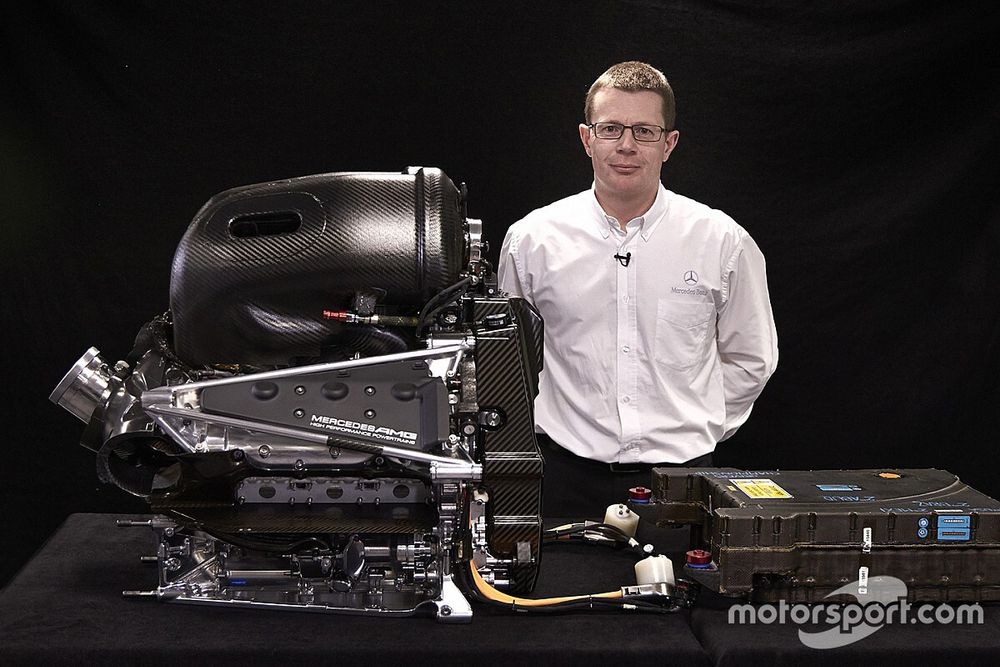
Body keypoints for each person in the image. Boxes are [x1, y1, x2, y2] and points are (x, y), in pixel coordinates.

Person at [498, 61, 778, 516]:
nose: (626, 146)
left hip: (684, 484)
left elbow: (752, 359)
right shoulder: (533, 239)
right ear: (587, 138)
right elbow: (511, 362)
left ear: (669, 144)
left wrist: (693, 423)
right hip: (564, 480)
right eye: (611, 129)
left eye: (644, 131)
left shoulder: (723, 241)